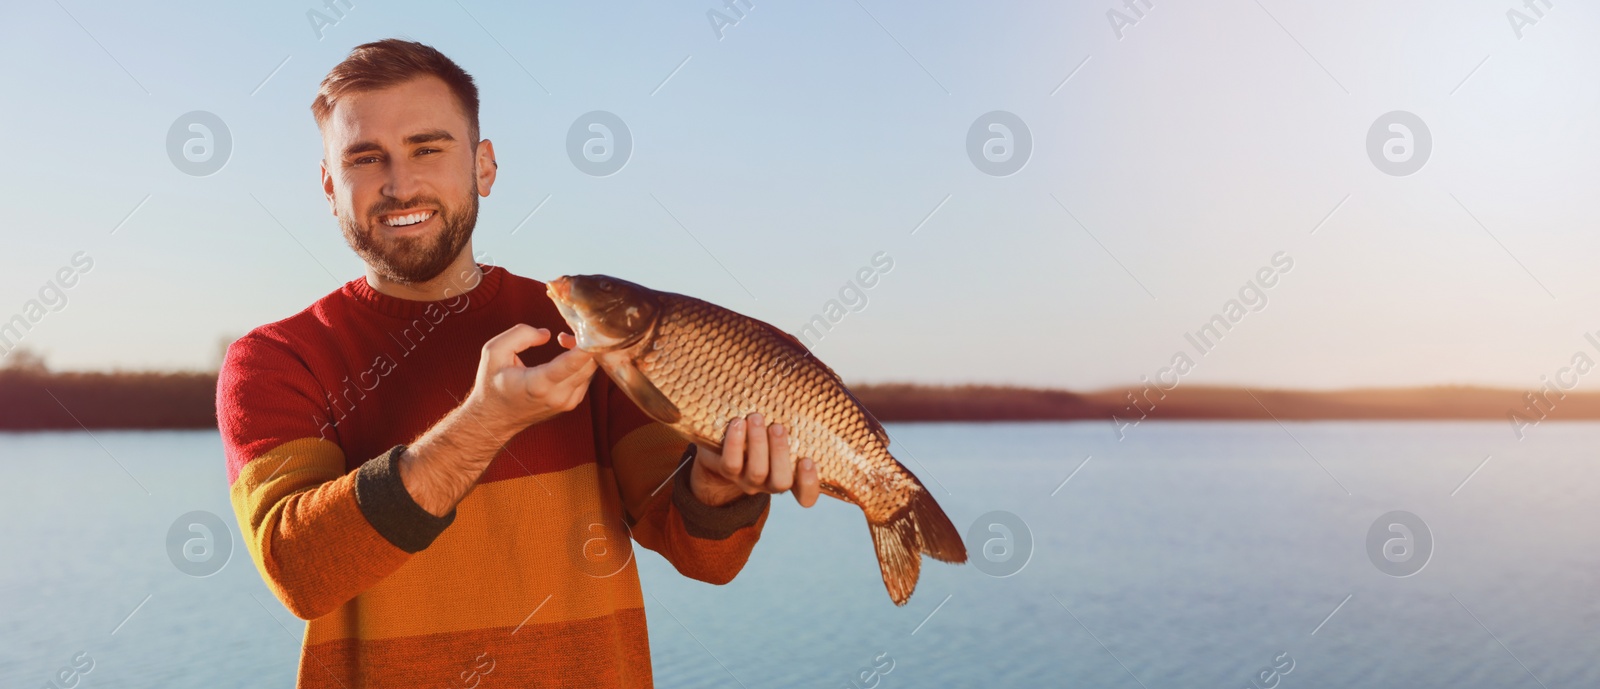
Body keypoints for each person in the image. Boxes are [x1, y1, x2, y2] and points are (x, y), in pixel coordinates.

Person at [216, 38, 820, 689]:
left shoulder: (587, 331)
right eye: (366, 158)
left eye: (428, 147)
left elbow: (705, 554)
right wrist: (484, 423)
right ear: (331, 185)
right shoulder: (276, 360)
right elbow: (301, 571)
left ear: (484, 167)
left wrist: (719, 487)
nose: (399, 183)